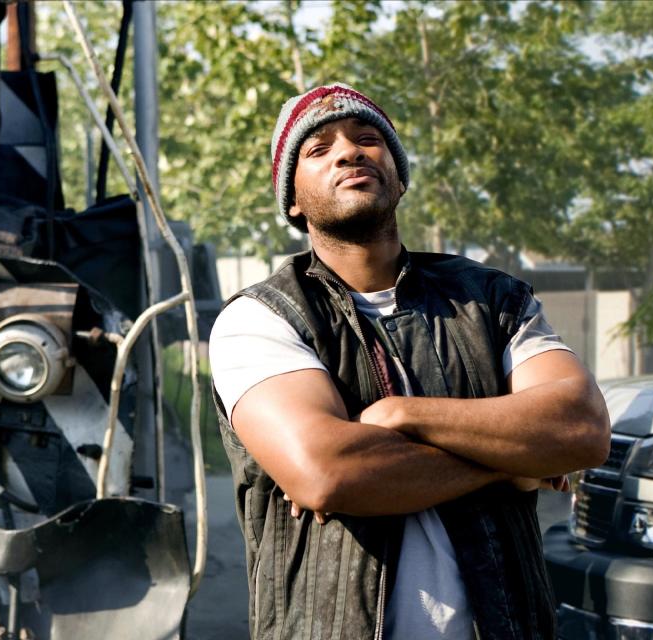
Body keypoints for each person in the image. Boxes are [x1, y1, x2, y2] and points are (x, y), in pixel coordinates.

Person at [209, 83, 610, 640]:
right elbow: (325, 472)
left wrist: (402, 415)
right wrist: (514, 462)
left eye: (368, 139)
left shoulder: (492, 301)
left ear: (398, 176)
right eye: (319, 149)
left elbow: (582, 429)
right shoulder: (261, 319)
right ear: (293, 200)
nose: (349, 152)